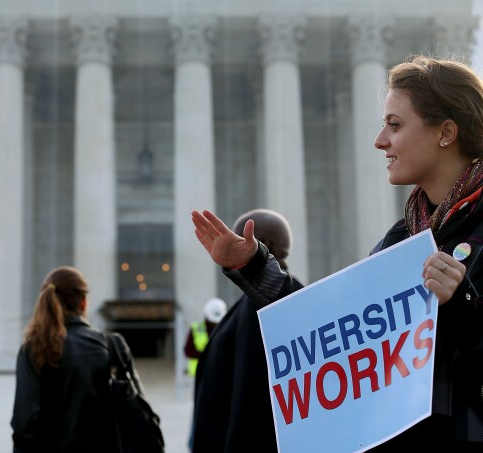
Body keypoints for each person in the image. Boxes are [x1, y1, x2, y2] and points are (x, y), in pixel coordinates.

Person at [192, 55, 483, 451]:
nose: (380, 140)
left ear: (445, 131)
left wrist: (462, 302)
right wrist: (253, 265)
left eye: (394, 126)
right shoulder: (400, 239)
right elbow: (333, 332)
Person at [190, 209, 301, 453]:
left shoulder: (262, 310)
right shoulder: (254, 307)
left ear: (264, 244)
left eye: (236, 237)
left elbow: (249, 402)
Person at [12, 266, 132, 452]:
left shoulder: (33, 350)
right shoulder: (112, 345)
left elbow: (24, 425)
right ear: (83, 302)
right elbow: (134, 412)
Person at [184, 297, 227, 377]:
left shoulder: (225, 329)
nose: (215, 323)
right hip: (200, 372)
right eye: (213, 321)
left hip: (219, 372)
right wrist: (207, 354)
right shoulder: (196, 329)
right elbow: (188, 351)